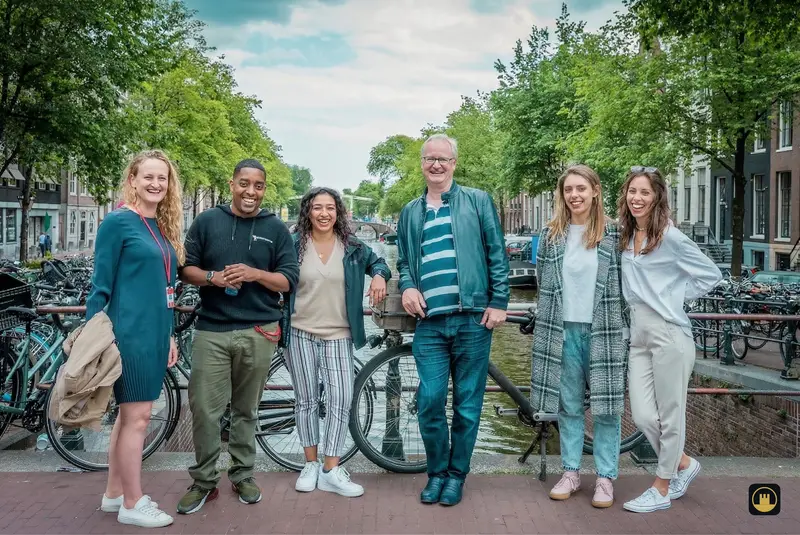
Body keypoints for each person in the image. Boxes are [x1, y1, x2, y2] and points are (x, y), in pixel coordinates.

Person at [177, 159, 299, 514]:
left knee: (246, 410)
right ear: (232, 184)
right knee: (204, 409)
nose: (251, 191)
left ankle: (243, 474)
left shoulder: (276, 229)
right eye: (244, 183)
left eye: (258, 185)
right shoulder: (206, 221)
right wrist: (213, 278)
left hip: (259, 330)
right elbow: (185, 269)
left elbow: (289, 279)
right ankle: (203, 481)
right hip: (212, 328)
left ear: (264, 189)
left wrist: (255, 273)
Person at [396, 133, 509, 506]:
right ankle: (436, 472)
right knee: (429, 399)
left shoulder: (477, 201)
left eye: (444, 159)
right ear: (422, 163)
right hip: (429, 321)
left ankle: (456, 476)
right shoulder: (410, 211)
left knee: (467, 404)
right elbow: (404, 260)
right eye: (430, 159)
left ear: (454, 164)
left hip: (473, 319)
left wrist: (499, 300)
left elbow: (496, 252)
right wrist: (408, 286)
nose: (437, 165)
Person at [87, 149, 183, 528]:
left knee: (129, 419)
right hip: (128, 335)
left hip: (155, 334)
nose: (156, 183)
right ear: (133, 179)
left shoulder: (158, 224)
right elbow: (100, 286)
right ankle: (132, 501)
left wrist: (170, 334)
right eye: (148, 177)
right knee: (138, 418)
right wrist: (97, 338)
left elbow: (164, 287)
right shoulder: (118, 222)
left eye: (162, 178)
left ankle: (114, 495)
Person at [617, 167, 722, 513]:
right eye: (633, 191)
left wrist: (675, 297)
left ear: (657, 196)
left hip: (669, 333)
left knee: (671, 413)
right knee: (645, 416)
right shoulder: (627, 235)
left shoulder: (670, 237)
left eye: (645, 192)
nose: (637, 198)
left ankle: (661, 487)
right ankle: (684, 463)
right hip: (638, 335)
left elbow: (711, 274)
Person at [531, 165, 628, 509]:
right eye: (568, 189)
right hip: (562, 329)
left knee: (607, 407)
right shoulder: (551, 235)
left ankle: (605, 478)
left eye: (581, 189)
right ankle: (570, 472)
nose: (574, 195)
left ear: (595, 191)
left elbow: (625, 281)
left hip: (603, 328)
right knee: (568, 405)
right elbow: (543, 280)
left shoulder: (615, 235)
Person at [286, 187, 391, 497]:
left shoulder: (353, 247)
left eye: (330, 208)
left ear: (339, 212)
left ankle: (331, 468)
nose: (323, 213)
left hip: (339, 334)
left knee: (341, 399)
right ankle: (310, 464)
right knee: (305, 400)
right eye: (317, 207)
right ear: (307, 212)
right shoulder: (293, 246)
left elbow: (379, 263)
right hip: (299, 332)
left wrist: (380, 276)